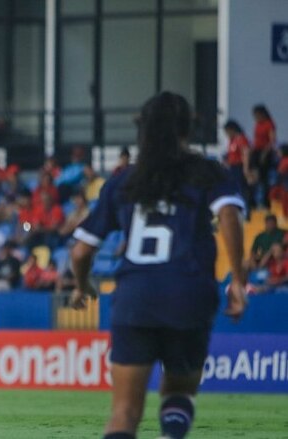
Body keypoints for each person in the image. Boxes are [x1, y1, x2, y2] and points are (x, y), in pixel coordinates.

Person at [69, 92, 247, 439]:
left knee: (124, 412)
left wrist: (81, 284)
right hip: (189, 295)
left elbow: (79, 253)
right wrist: (239, 280)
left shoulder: (124, 180)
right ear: (188, 128)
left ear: (143, 130)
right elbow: (228, 213)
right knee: (179, 393)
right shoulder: (210, 172)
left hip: (135, 298)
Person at [251, 104, 277, 207]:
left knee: (264, 178)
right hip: (257, 151)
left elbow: (272, 141)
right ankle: (255, 201)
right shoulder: (257, 125)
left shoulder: (269, 124)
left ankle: (266, 202)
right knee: (256, 177)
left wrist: (265, 154)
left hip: (265, 152)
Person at [223, 120, 253, 208]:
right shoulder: (232, 141)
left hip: (239, 168)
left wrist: (245, 168)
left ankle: (246, 209)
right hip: (232, 168)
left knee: (242, 189)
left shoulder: (241, 139)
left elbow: (246, 153)